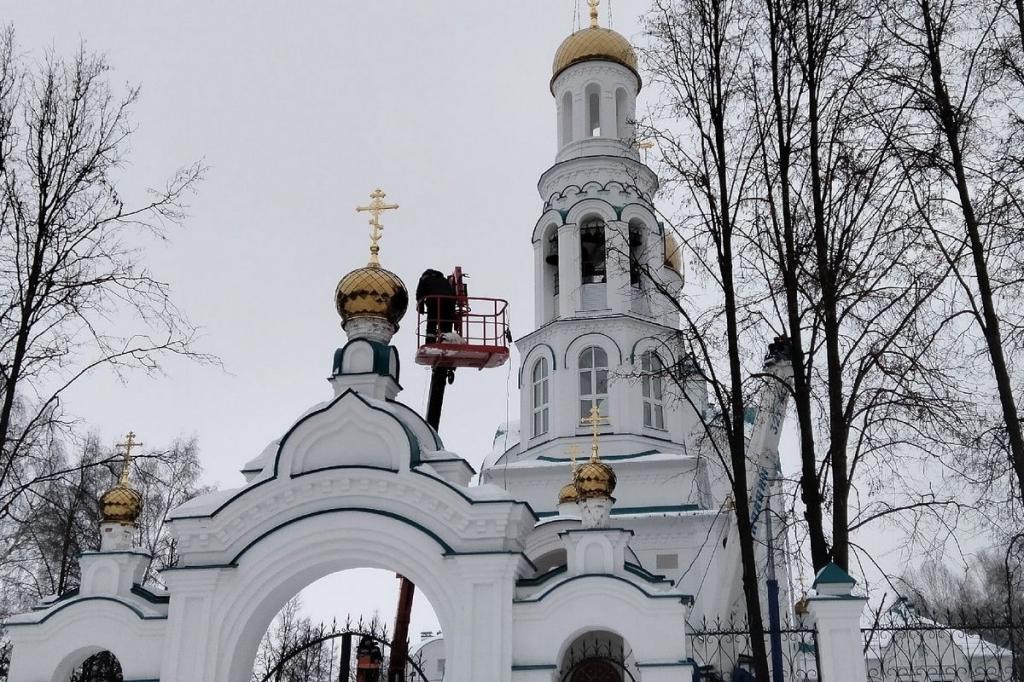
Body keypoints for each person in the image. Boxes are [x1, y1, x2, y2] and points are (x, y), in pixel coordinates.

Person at [415, 269, 456, 343]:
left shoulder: (424, 278)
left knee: (432, 323)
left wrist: (421, 308)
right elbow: (452, 294)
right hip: (448, 302)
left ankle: (430, 342)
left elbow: (420, 293)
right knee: (446, 324)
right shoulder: (444, 280)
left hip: (434, 301)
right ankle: (446, 340)